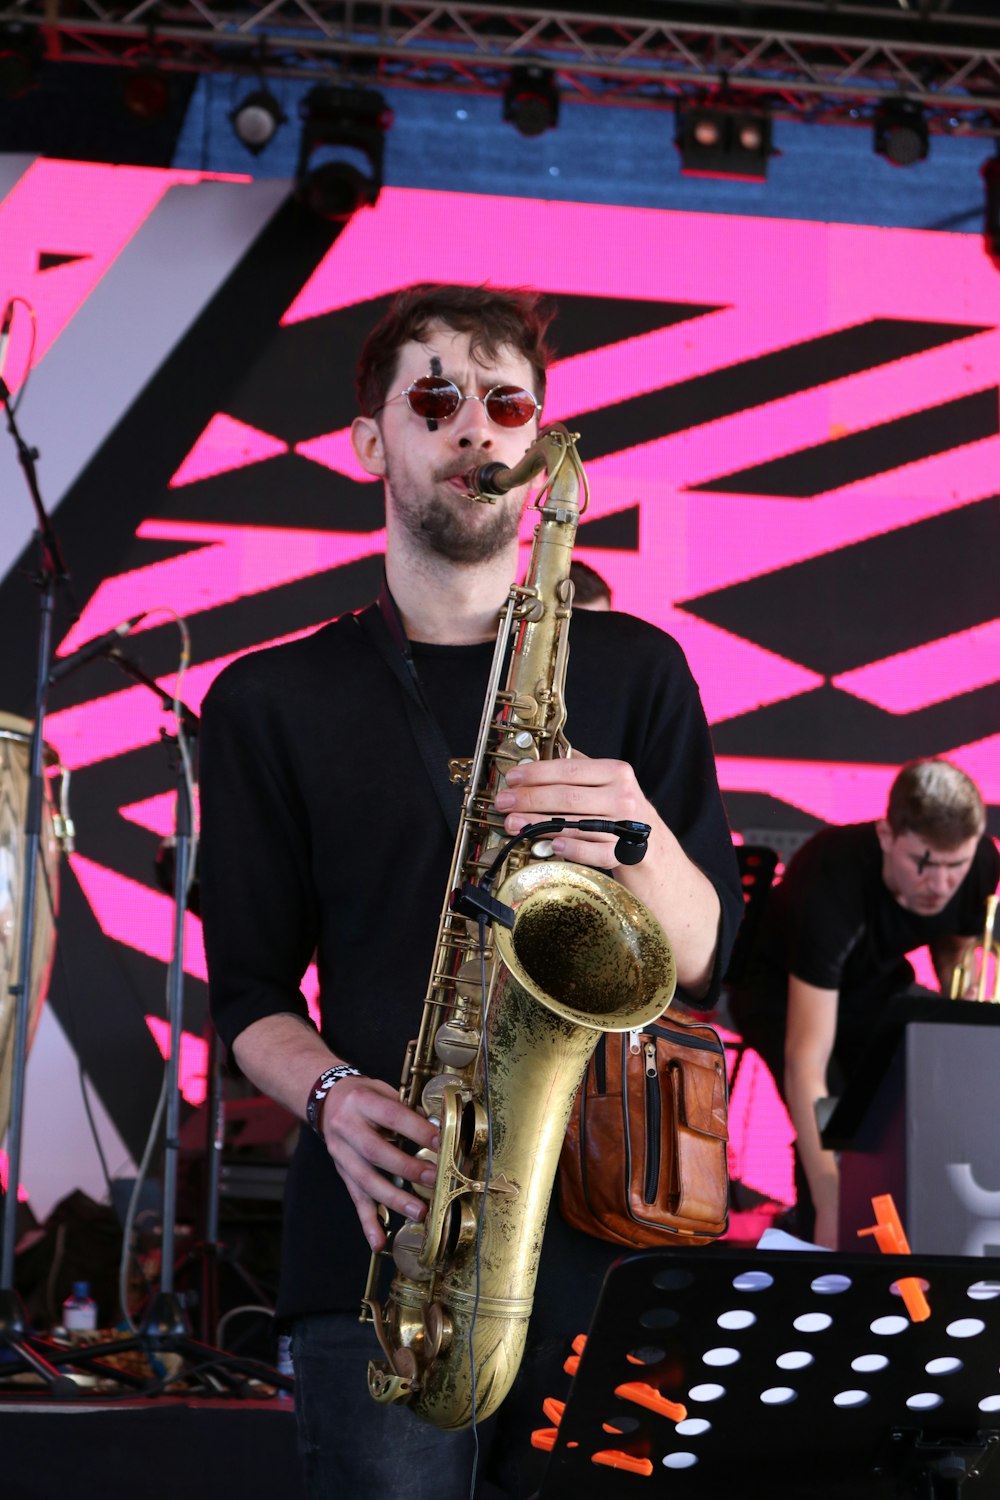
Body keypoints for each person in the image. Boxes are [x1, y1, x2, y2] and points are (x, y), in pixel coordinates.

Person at [198, 282, 743, 1499]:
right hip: (387, 1246)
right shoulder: (268, 701)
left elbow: (706, 955)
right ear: (368, 441)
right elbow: (243, 995)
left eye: (506, 405)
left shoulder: (640, 670)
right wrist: (332, 1094)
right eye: (435, 399)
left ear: (538, 442)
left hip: (612, 1245)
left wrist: (638, 831)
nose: (474, 431)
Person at [729, 759, 1000, 1251]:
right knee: (837, 1115)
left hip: (872, 981)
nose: (940, 883)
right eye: (923, 863)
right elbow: (806, 1060)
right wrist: (836, 1201)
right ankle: (820, 1232)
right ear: (886, 835)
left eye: (953, 865)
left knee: (923, 1064)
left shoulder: (978, 864)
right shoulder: (830, 883)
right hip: (777, 993)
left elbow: (951, 952)